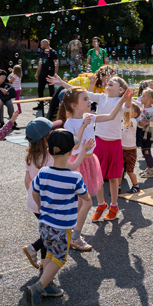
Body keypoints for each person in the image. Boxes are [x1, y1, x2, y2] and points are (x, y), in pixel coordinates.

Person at [48, 73, 132, 222]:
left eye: (114, 81)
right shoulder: (101, 98)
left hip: (111, 144)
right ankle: (99, 205)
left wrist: (127, 98)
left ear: (121, 90)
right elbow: (77, 94)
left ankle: (113, 206)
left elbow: (124, 109)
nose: (110, 81)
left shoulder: (119, 100)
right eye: (110, 80)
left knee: (111, 177)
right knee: (97, 179)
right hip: (97, 143)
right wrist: (62, 83)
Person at [57, 86, 130, 250]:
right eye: (85, 99)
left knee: (81, 202)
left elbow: (111, 116)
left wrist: (122, 100)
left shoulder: (90, 116)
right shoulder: (69, 123)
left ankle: (69, 233)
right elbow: (73, 146)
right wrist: (83, 125)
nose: (89, 101)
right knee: (83, 202)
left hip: (91, 161)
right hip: (78, 162)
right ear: (74, 105)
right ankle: (73, 235)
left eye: (88, 98)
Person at [24, 129, 90, 306]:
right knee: (60, 258)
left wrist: (40, 206)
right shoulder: (75, 176)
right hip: (62, 227)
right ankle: (37, 287)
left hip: (44, 223)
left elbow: (35, 192)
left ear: (50, 151)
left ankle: (47, 284)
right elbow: (85, 197)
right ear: (70, 152)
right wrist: (87, 202)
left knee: (51, 252)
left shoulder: (44, 171)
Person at [22, 118, 93, 269]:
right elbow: (73, 166)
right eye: (51, 132)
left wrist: (34, 196)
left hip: (35, 199)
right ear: (46, 139)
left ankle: (43, 263)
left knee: (47, 231)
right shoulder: (50, 158)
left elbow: (27, 180)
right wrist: (84, 151)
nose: (54, 132)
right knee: (54, 232)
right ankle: (33, 248)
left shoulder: (30, 155)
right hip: (49, 201)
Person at [136, 88, 153, 179]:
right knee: (143, 151)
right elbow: (135, 103)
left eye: (143, 96)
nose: (141, 98)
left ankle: (151, 170)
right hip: (141, 132)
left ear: (150, 99)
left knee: (147, 151)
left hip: (148, 134)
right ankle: (148, 167)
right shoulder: (142, 107)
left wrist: (147, 123)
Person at [121, 104, 142, 195]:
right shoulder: (121, 120)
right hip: (121, 149)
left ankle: (135, 186)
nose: (125, 110)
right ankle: (117, 187)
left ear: (135, 114)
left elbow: (127, 121)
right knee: (120, 170)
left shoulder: (133, 121)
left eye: (129, 109)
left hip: (131, 151)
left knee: (130, 171)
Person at [34, 39, 58, 111]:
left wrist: (55, 74)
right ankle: (41, 105)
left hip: (50, 74)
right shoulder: (42, 53)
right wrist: (37, 72)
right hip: (42, 74)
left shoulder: (53, 52)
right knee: (40, 89)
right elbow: (40, 63)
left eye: (41, 45)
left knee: (51, 90)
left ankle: (53, 106)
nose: (41, 46)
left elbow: (56, 64)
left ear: (44, 45)